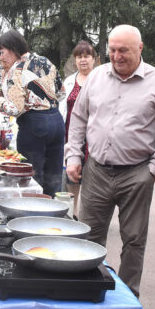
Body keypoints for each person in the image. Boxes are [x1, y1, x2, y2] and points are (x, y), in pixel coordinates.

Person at [65, 24, 155, 298]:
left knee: (134, 241)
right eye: (112, 50)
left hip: (137, 174)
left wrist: (153, 169)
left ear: (140, 48)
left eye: (123, 50)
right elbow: (79, 118)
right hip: (96, 171)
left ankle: (127, 298)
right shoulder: (96, 77)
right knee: (89, 237)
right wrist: (73, 155)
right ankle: (88, 291)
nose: (116, 56)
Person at [0, 30, 64, 197]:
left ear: (12, 48)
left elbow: (15, 108)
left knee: (32, 178)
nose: (0, 57)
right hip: (56, 121)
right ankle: (53, 214)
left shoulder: (16, 69)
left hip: (34, 125)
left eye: (2, 52)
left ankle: (33, 216)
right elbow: (61, 92)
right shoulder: (45, 61)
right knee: (54, 177)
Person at [59, 41, 96, 217]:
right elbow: (62, 107)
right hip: (71, 133)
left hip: (94, 135)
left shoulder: (99, 79)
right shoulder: (68, 81)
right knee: (72, 173)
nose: (83, 60)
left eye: (87, 56)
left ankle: (87, 213)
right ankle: (73, 212)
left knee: (91, 174)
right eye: (79, 57)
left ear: (93, 59)